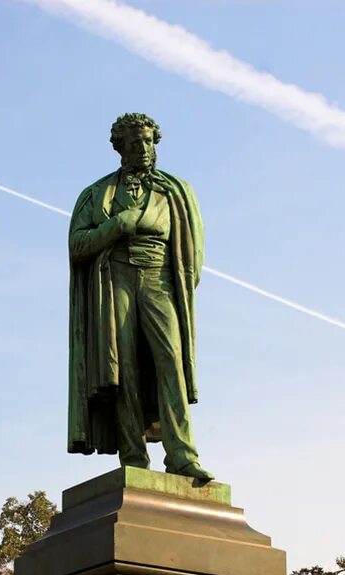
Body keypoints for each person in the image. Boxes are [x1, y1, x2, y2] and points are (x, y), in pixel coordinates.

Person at [67, 113, 213, 482]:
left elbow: (193, 255)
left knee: (171, 363)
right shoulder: (97, 194)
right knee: (124, 368)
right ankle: (133, 457)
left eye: (148, 141)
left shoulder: (176, 191)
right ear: (120, 147)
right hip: (115, 279)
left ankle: (182, 455)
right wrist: (116, 225)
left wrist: (177, 286)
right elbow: (77, 244)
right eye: (135, 143)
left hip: (160, 279)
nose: (144, 149)